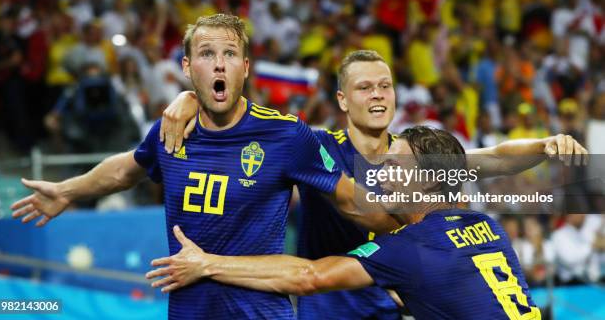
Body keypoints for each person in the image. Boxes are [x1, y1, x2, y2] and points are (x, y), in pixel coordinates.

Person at [10, 14, 399, 320]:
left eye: (230, 55)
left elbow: (351, 200)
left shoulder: (286, 135)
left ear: (245, 68)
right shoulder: (171, 127)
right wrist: (66, 190)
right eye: (206, 54)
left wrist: (416, 235)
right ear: (186, 66)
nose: (219, 65)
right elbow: (127, 169)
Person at [160, 50, 586, 319]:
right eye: (365, 87)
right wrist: (193, 98)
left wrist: (546, 146)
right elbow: (247, 121)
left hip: (388, 305)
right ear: (343, 100)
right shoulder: (316, 147)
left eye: (385, 85)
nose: (378, 94)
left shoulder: (413, 158)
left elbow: (493, 158)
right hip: (329, 306)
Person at [148, 127, 542, 320]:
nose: (381, 173)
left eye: (394, 165)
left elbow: (309, 276)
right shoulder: (487, 227)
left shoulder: (411, 247)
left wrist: (208, 263)